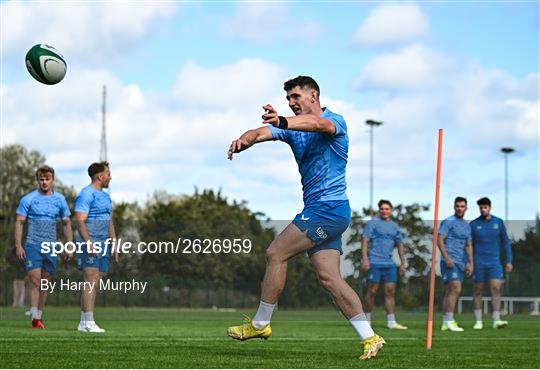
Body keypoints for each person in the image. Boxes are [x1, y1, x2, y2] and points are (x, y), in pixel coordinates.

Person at [226, 76, 384, 360]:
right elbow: (259, 133)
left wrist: (282, 121)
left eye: (296, 97)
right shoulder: (291, 129)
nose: (291, 102)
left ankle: (261, 324)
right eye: (288, 99)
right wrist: (243, 141)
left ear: (314, 95)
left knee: (276, 252)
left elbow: (317, 124)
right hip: (326, 212)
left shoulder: (334, 121)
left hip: (327, 209)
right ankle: (370, 338)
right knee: (330, 279)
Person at [14, 165, 73, 328]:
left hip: (51, 247)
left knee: (45, 283)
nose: (44, 182)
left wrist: (69, 245)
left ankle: (38, 317)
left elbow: (66, 223)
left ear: (52, 180)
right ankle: (33, 313)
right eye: (41, 179)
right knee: (35, 281)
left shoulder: (60, 200)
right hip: (33, 245)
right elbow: (19, 223)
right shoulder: (28, 199)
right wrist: (19, 246)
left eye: (47, 179)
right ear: (37, 180)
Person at [75, 161, 117, 333]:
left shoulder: (106, 197)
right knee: (91, 281)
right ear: (100, 176)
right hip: (89, 243)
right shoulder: (86, 194)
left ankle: (83, 321)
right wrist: (88, 243)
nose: (110, 177)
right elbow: (79, 220)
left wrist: (113, 243)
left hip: (104, 244)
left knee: (97, 281)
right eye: (108, 173)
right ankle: (88, 323)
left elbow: (109, 221)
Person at [361, 199, 407, 329]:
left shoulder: (395, 226)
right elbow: (365, 240)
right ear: (379, 210)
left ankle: (391, 322)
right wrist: (365, 259)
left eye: (387, 209)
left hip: (389, 264)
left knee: (390, 292)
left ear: (391, 211)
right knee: (372, 291)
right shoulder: (373, 224)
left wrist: (403, 263)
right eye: (382, 209)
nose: (384, 211)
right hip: (374, 262)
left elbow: (400, 245)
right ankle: (367, 320)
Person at [470, 197, 512, 329]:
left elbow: (506, 242)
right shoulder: (473, 224)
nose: (483, 210)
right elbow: (468, 245)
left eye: (485, 207)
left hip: (494, 262)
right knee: (478, 290)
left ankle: (496, 319)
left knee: (496, 288)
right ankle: (478, 321)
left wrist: (509, 260)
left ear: (490, 207)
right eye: (481, 208)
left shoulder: (498, 223)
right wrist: (469, 262)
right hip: (478, 262)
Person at [437, 196, 473, 332]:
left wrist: (471, 263)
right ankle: (450, 320)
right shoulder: (448, 222)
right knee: (455, 287)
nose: (460, 208)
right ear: (454, 207)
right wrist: (447, 258)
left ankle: (445, 321)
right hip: (449, 262)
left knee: (450, 291)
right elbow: (439, 239)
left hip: (461, 262)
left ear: (466, 208)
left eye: (462, 206)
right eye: (457, 206)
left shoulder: (467, 226)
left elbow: (468, 245)